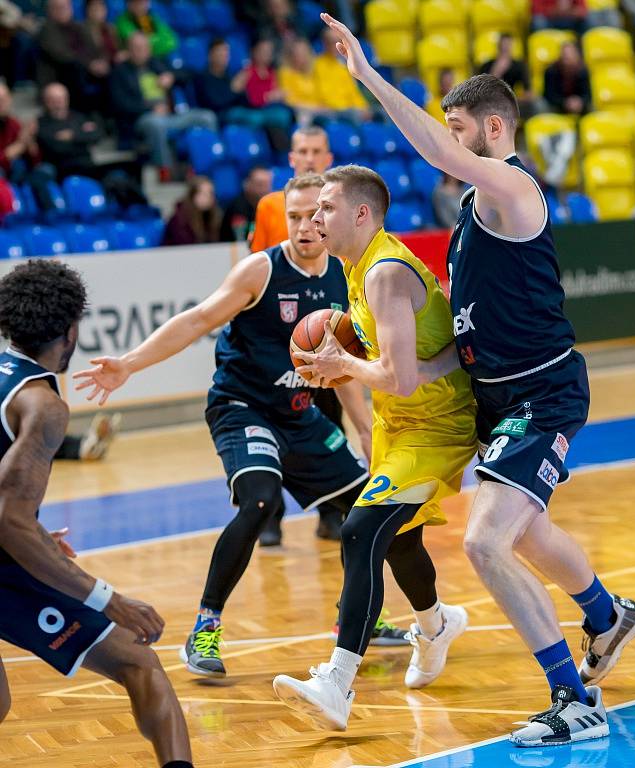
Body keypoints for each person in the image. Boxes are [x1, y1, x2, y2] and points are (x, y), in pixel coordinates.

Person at [320, 12, 635, 746]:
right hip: (493, 394)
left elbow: (435, 147)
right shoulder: (474, 211)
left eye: (457, 128)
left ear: (493, 131)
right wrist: (370, 370)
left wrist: (369, 77)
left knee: (483, 542)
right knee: (523, 532)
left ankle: (572, 699)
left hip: (541, 393)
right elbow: (459, 341)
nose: (447, 142)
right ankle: (605, 616)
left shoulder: (511, 192)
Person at [73, 174, 399, 679]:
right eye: (293, 216)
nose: (304, 226)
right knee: (260, 500)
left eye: (314, 215)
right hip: (241, 406)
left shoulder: (344, 277)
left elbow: (341, 368)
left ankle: (357, 619)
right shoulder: (260, 272)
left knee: (368, 512)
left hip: (300, 413)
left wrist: (363, 428)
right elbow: (197, 320)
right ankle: (205, 626)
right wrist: (129, 365)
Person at [272, 165, 477, 731]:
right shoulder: (356, 266)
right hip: (400, 422)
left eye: (327, 209)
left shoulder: (384, 272)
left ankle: (337, 682)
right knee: (397, 537)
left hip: (435, 425)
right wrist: (338, 366)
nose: (315, 219)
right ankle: (436, 625)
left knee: (362, 530)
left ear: (362, 214)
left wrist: (345, 367)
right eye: (312, 211)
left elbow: (401, 376)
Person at [0, 258, 194, 768]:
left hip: (8, 562)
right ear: (70, 332)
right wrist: (109, 600)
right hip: (6, 559)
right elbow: (8, 520)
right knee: (138, 658)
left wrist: (35, 534)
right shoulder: (41, 404)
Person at [250, 125, 343, 546]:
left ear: (328, 158)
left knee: (329, 413)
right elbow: (258, 264)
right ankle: (270, 515)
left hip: (329, 328)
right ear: (291, 158)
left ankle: (332, 509)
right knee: (276, 420)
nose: (308, 157)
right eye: (301, 151)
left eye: (315, 151)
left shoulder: (346, 202)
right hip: (282, 331)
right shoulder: (271, 206)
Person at [109, 32, 216, 181]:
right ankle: (166, 171)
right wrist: (149, 109)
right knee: (155, 124)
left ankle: (206, 165)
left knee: (207, 117)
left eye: (144, 48)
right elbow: (120, 104)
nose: (140, 52)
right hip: (142, 118)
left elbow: (189, 73)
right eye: (136, 48)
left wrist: (171, 77)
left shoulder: (157, 64)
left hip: (171, 115)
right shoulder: (120, 72)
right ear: (128, 50)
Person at [36, 0, 110, 112]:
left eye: (65, 7)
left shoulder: (79, 26)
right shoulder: (47, 30)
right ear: (50, 11)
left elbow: (96, 49)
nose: (63, 10)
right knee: (75, 68)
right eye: (58, 7)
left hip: (86, 71)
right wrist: (90, 65)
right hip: (60, 76)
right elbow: (61, 55)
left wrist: (102, 62)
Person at [36, 81, 103, 180]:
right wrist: (82, 136)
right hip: (61, 169)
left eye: (61, 98)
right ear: (45, 101)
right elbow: (55, 147)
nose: (58, 103)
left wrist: (72, 136)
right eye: (53, 100)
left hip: (87, 167)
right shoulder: (40, 123)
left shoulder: (79, 117)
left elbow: (97, 135)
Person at [314, 25, 370, 122]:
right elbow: (324, 93)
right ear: (325, 44)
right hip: (335, 110)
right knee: (355, 116)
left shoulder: (344, 63)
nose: (336, 45)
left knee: (382, 112)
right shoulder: (318, 64)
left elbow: (353, 90)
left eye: (338, 41)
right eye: (332, 42)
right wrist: (351, 109)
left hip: (351, 109)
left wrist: (363, 106)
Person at [478, 33, 535, 118]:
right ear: (498, 46)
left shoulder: (519, 66)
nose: (505, 48)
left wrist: (510, 100)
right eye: (503, 45)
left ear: (512, 47)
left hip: (512, 104)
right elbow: (480, 92)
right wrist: (496, 72)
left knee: (534, 105)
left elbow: (529, 93)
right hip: (489, 102)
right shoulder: (486, 66)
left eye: (508, 45)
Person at [163, 175, 223, 247]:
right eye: (203, 194)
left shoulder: (214, 218)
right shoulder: (179, 220)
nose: (208, 197)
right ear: (192, 195)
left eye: (211, 193)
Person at [219, 164, 272, 242]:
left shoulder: (270, 205)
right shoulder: (238, 207)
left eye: (267, 185)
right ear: (248, 185)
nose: (264, 190)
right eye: (260, 185)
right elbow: (241, 239)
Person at [544, 41, 591, 116]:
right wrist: (565, 103)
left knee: (591, 108)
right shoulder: (551, 71)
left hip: (578, 105)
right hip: (558, 105)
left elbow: (588, 95)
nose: (567, 59)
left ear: (576, 56)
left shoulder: (583, 71)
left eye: (569, 56)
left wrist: (580, 101)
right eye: (564, 56)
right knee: (544, 107)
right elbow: (549, 95)